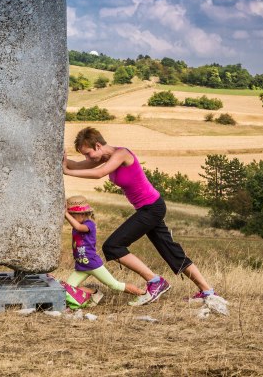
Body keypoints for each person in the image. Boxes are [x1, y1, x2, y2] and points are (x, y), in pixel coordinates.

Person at [62, 127, 217, 305]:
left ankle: (155, 282)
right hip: (149, 208)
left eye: (88, 154)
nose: (88, 159)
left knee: (113, 246)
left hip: (151, 208)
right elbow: (79, 166)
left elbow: (98, 174)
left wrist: (67, 171)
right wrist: (63, 160)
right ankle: (207, 291)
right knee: (170, 250)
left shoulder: (121, 154)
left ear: (98, 145)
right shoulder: (103, 157)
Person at [63, 195, 146, 305]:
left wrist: (65, 213)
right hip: (81, 266)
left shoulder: (89, 224)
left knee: (115, 285)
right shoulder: (76, 224)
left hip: (93, 264)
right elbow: (76, 225)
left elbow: (79, 227)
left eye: (73, 216)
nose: (71, 219)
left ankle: (143, 294)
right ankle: (95, 293)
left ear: (82, 214)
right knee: (67, 289)